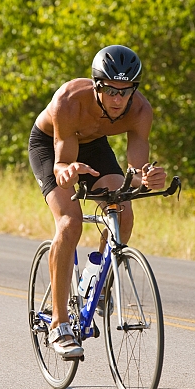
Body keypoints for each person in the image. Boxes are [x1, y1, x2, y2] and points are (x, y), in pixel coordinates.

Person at [28, 45, 166, 358]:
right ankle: (59, 325)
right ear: (96, 85)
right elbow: (62, 162)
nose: (118, 100)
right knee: (70, 222)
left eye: (125, 91)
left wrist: (146, 178)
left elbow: (136, 170)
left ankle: (98, 282)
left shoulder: (141, 111)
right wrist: (67, 172)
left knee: (123, 209)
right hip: (52, 148)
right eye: (110, 91)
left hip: (94, 148)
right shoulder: (69, 100)